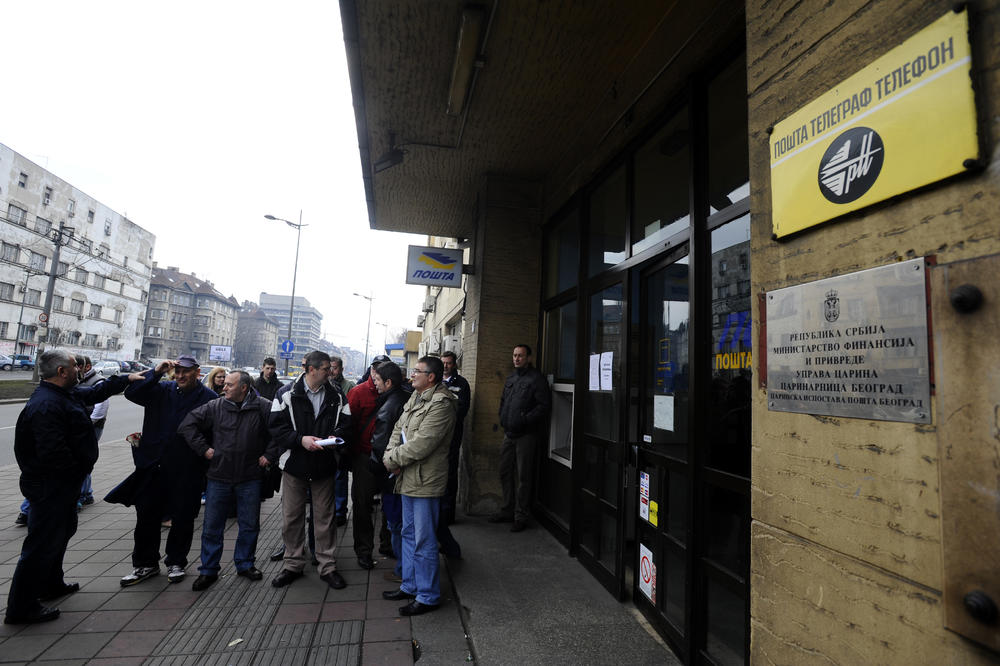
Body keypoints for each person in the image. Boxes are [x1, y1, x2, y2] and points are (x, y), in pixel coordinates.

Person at [4, 350, 132, 624]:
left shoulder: (63, 394)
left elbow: (94, 394)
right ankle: (21, 608)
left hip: (62, 487)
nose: (80, 370)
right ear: (62, 372)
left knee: (59, 536)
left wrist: (129, 378)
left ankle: (51, 584)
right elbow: (53, 454)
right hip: (51, 488)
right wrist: (77, 470)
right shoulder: (47, 405)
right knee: (40, 546)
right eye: (75, 367)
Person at [120, 355, 218, 586]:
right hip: (154, 464)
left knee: (183, 516)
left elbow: (214, 434)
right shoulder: (161, 389)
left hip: (188, 468)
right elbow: (131, 393)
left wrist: (206, 462)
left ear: (198, 372)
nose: (181, 376)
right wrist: (155, 373)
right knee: (147, 516)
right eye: (178, 372)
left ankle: (176, 561)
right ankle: (145, 563)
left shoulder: (209, 398)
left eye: (186, 372)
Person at [179, 371, 280, 591]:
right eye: (224, 384)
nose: (224, 388)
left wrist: (269, 456)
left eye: (230, 385)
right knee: (212, 526)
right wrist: (204, 450)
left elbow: (279, 432)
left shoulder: (263, 406)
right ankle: (208, 570)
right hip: (219, 476)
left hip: (250, 477)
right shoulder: (216, 406)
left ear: (244, 388)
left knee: (249, 524)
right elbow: (187, 425)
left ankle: (245, 564)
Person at [269, 351, 352, 590]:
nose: (331, 372)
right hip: (294, 465)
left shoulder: (337, 395)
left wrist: (334, 439)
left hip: (324, 465)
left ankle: (327, 566)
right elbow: (275, 427)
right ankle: (292, 564)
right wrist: (300, 440)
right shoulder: (285, 394)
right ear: (311, 369)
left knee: (325, 518)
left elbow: (347, 425)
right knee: (291, 517)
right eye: (326, 368)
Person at [381, 356, 457, 616]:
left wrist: (392, 458)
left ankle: (427, 595)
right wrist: (390, 454)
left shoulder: (442, 403)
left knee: (424, 540)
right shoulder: (415, 397)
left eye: (417, 371)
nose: (412, 375)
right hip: (407, 477)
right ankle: (410, 585)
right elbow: (397, 429)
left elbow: (424, 443)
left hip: (425, 482)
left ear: (431, 377)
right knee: (408, 534)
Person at [491, 344, 551, 532]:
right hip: (509, 433)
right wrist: (503, 417)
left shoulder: (537, 379)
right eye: (515, 355)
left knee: (524, 476)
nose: (516, 359)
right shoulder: (511, 378)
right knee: (504, 472)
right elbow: (503, 401)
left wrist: (525, 420)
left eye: (521, 356)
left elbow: (543, 406)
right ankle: (507, 509)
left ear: (529, 358)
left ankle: (521, 515)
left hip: (526, 435)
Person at [369, 361, 410, 581]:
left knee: (396, 525)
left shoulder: (389, 406)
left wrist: (375, 467)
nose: (374, 384)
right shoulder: (405, 398)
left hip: (392, 474)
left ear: (388, 382)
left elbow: (380, 444)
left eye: (376, 380)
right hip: (402, 472)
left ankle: (403, 571)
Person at [346, 355, 387, 569]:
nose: (378, 374)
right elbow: (348, 426)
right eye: (376, 369)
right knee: (362, 506)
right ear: (371, 370)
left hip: (390, 458)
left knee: (389, 504)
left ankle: (387, 543)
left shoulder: (394, 393)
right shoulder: (358, 392)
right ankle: (363, 551)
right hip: (364, 457)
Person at [440, 351, 470, 525]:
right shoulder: (434, 381)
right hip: (436, 437)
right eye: (443, 362)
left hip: (452, 436)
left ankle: (448, 514)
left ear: (454, 365)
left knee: (450, 475)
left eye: (449, 363)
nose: (445, 366)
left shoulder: (462, 384)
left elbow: (462, 410)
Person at [78, 356, 107, 507]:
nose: (76, 369)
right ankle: (86, 493)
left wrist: (85, 425)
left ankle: (83, 495)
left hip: (92, 427)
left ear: (87, 367)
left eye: (78, 366)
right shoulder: (78, 380)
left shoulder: (98, 381)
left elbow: (100, 410)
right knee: (82, 460)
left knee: (85, 459)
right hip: (81, 427)